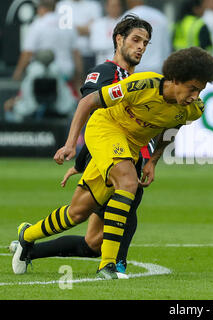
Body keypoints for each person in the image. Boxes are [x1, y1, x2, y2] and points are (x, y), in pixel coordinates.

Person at [13, 46, 213, 280]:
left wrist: (153, 160)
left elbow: (173, 127)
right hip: (105, 128)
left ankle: (27, 235)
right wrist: (71, 144)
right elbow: (88, 102)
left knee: (77, 212)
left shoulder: (192, 110)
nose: (195, 96)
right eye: (192, 88)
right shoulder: (143, 85)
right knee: (128, 182)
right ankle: (108, 265)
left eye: (200, 91)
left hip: (128, 146)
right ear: (175, 79)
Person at [10, 15, 154, 275]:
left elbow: (129, 126)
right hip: (108, 158)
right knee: (124, 197)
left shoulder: (137, 81)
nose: (141, 46)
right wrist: (72, 148)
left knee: (92, 238)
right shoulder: (106, 72)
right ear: (119, 39)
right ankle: (115, 265)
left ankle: (27, 241)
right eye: (136, 40)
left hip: (120, 155)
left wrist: (149, 159)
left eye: (145, 42)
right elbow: (91, 111)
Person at [12, 0, 83, 85]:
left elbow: (28, 52)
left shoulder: (38, 24)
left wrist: (18, 72)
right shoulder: (68, 25)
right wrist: (79, 76)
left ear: (41, 9)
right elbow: (76, 53)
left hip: (44, 73)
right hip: (66, 73)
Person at [56, 0, 103, 77]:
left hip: (89, 53)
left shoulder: (94, 5)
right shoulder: (62, 5)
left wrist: (71, 27)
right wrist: (85, 28)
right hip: (67, 55)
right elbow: (62, 29)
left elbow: (96, 29)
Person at [124, 0, 171, 73]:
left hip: (135, 68)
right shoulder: (160, 16)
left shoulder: (129, 16)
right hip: (157, 68)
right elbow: (166, 45)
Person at [89, 0, 124, 65]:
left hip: (122, 64)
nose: (115, 8)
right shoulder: (98, 23)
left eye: (117, 6)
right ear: (107, 7)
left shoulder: (126, 23)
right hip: (102, 63)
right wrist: (118, 43)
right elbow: (94, 46)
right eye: (113, 6)